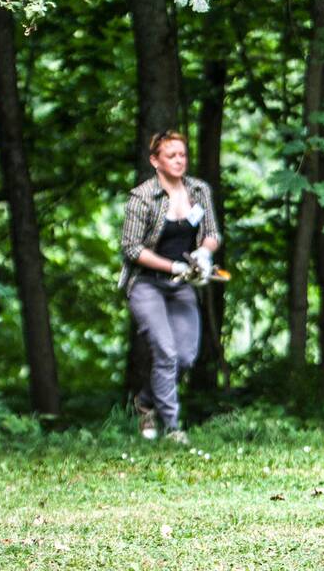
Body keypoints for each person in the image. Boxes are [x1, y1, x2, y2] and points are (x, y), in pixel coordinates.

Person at [119, 130, 221, 444]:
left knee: (186, 356)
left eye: (182, 155)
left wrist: (204, 254)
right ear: (155, 161)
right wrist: (171, 265)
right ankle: (173, 427)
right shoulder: (143, 197)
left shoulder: (198, 190)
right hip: (146, 284)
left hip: (182, 286)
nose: (179, 161)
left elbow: (211, 232)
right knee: (165, 351)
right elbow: (131, 248)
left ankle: (146, 402)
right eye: (171, 155)